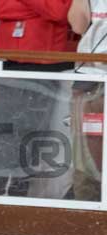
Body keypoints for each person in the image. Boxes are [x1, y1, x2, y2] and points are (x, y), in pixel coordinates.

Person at [0, 0, 73, 196]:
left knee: (31, 133)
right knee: (1, 131)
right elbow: (0, 9)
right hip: (7, 64)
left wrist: (24, 6)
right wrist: (39, 10)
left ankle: (19, 192)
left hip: (42, 68)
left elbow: (58, 12)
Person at [68, 0, 107, 201]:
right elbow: (77, 26)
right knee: (84, 149)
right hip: (88, 77)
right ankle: (86, 206)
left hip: (96, 75)